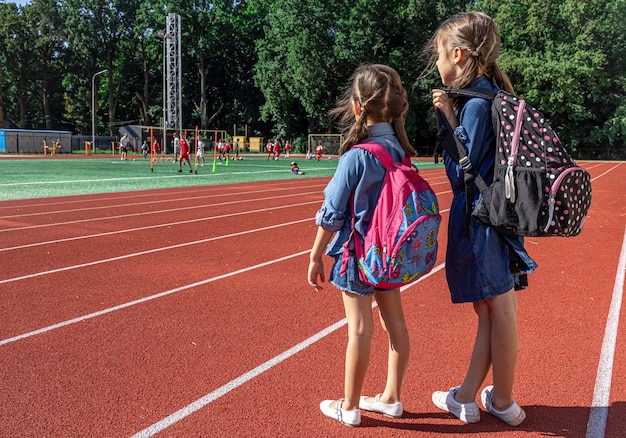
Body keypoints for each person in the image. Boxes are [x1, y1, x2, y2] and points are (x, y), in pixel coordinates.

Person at [422, 11, 537, 427]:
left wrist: (449, 120)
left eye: (438, 54)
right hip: (501, 217)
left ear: (457, 54)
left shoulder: (473, 103)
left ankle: (503, 400)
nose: (436, 63)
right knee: (492, 310)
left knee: (500, 310)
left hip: (479, 219)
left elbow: (462, 173)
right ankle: (469, 395)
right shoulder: (497, 94)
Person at [307, 64, 416, 427]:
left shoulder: (357, 155)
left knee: (358, 329)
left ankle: (349, 406)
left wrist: (315, 254)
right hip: (391, 252)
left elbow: (332, 212)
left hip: (358, 254)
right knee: (395, 325)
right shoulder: (401, 152)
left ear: (358, 106)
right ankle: (391, 397)